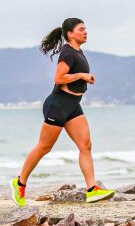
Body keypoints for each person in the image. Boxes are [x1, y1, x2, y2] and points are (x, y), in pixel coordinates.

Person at [9, 18, 116, 206]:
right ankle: (19, 182)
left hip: (73, 105)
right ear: (70, 34)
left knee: (86, 145)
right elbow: (59, 78)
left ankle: (92, 190)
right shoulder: (67, 52)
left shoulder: (78, 52)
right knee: (44, 147)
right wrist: (81, 75)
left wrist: (83, 78)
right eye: (81, 29)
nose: (85, 32)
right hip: (58, 105)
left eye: (86, 29)